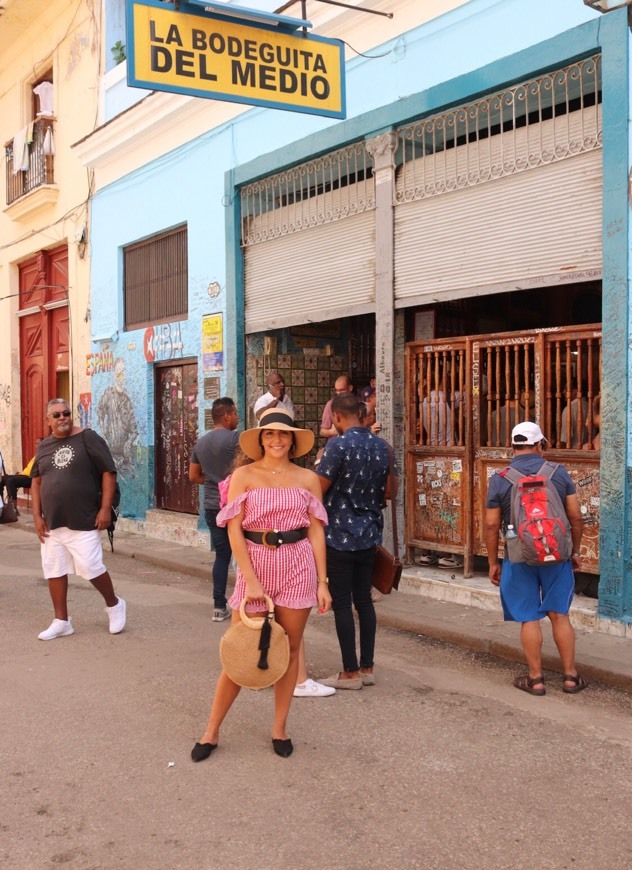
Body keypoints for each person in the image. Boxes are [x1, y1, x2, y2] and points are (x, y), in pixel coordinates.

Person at [191, 408, 331, 762]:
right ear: (260, 439)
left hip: (298, 564)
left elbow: (316, 531)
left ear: (293, 439)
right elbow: (234, 529)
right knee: (242, 650)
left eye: (284, 434)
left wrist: (322, 582)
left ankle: (279, 728)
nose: (277, 440)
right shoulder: (244, 475)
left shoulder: (307, 478)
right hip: (257, 562)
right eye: (270, 434)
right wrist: (250, 580)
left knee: (290, 650)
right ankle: (211, 731)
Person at [485, 421, 587, 695]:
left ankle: (536, 679)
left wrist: (494, 562)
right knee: (559, 615)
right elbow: (576, 517)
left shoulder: (500, 478)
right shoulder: (558, 473)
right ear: (540, 444)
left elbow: (492, 525)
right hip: (556, 554)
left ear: (512, 446)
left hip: (518, 555)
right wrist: (574, 552)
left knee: (529, 618)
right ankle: (570, 677)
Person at [31, 399, 126, 640]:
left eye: (66, 413)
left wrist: (105, 508)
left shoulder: (87, 438)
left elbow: (108, 471)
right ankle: (61, 621)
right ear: (48, 420)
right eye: (56, 415)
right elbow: (36, 482)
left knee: (91, 567)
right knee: (54, 569)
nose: (62, 417)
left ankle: (114, 605)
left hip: (84, 518)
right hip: (52, 521)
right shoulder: (44, 447)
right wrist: (37, 517)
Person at [317, 393, 393, 690]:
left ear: (336, 417)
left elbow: (317, 490)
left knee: (341, 604)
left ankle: (349, 673)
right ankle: (367, 667)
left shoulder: (337, 446)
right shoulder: (383, 447)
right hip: (369, 536)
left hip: (338, 537)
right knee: (364, 601)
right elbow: (390, 492)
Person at [189, 397, 240, 621]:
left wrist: (215, 482)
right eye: (236, 413)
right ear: (227, 416)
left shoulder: (200, 443)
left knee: (222, 556)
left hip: (212, 506)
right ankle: (249, 603)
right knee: (249, 553)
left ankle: (219, 607)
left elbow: (193, 476)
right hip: (238, 506)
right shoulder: (237, 438)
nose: (237, 417)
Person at [96, 357, 138, 478]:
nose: (121, 378)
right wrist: (104, 433)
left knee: (131, 478)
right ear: (114, 375)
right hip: (110, 453)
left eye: (123, 373)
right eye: (118, 373)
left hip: (125, 457)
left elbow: (135, 430)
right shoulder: (108, 394)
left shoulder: (127, 400)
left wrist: (129, 442)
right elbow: (100, 412)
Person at [319, 373, 354, 439]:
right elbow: (322, 431)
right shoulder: (330, 404)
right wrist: (331, 432)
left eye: (342, 390)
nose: (338, 393)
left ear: (350, 388)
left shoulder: (358, 403)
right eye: (337, 390)